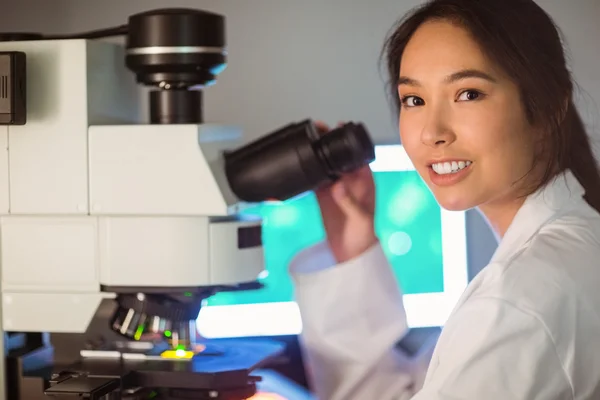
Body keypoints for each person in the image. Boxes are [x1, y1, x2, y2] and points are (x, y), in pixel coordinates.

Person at [288, 0, 600, 399]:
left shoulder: (517, 303)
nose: (432, 132)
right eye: (414, 100)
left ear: (548, 109)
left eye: (468, 93)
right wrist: (350, 243)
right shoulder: (567, 248)